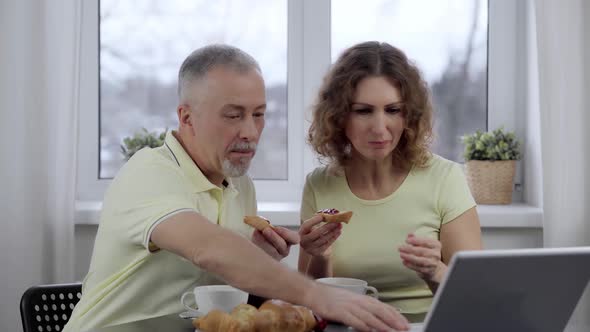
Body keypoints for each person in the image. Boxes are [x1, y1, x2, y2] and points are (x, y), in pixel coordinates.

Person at [63, 44, 408, 332]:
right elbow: (208, 247)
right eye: (233, 115)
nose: (250, 132)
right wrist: (317, 296)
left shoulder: (240, 185)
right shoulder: (149, 173)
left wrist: (255, 258)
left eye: (258, 114)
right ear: (186, 118)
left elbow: (215, 291)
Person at [298, 41, 482, 323]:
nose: (380, 128)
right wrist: (321, 257)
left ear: (409, 115)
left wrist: (435, 271)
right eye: (363, 111)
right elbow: (310, 305)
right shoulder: (319, 186)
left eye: (393, 110)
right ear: (338, 116)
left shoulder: (445, 179)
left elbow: (476, 300)